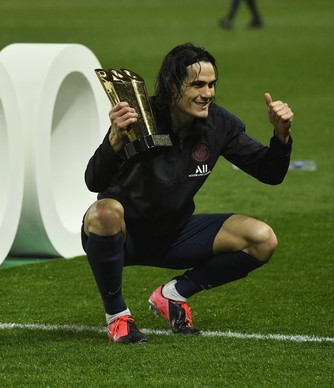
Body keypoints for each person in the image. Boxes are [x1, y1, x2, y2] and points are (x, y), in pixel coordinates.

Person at [82, 42, 293, 344]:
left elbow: (270, 173)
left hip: (175, 236)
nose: (207, 93)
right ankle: (118, 316)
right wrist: (114, 139)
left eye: (211, 85)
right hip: (123, 237)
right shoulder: (139, 118)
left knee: (262, 238)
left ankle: (174, 294)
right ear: (172, 85)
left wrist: (281, 135)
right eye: (197, 84)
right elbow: (93, 180)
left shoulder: (218, 124)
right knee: (104, 212)